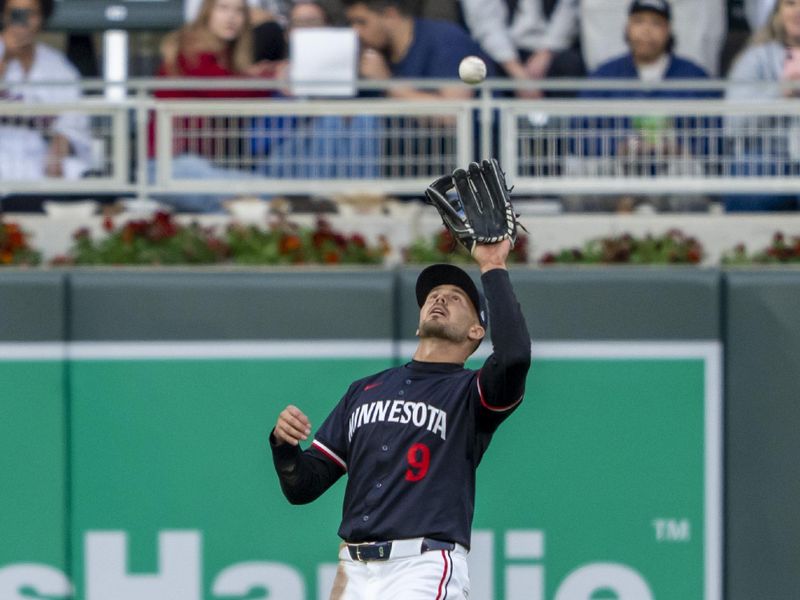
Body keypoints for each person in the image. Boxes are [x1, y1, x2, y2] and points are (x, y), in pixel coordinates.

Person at [270, 240, 531, 599]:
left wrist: (493, 265)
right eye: (433, 295)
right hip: (352, 570)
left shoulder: (471, 393)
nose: (439, 299)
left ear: (476, 331)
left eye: (456, 297)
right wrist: (284, 447)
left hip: (422, 566)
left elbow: (514, 356)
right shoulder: (363, 390)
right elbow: (303, 487)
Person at [149, 0, 274, 212]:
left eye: (238, 11)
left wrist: (257, 77)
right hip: (169, 165)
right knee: (263, 193)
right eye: (223, 8)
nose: (231, 17)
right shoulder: (189, 49)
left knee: (233, 213)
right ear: (206, 13)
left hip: (194, 164)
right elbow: (223, 92)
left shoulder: (225, 57)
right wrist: (271, 78)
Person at [0, 0, 92, 191]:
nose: (23, 21)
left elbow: (74, 120)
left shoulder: (57, 65)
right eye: (16, 13)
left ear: (41, 19)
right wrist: (5, 58)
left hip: (39, 169)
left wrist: (62, 142)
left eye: (30, 14)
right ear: (4, 15)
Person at [724, 0, 800, 211]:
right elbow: (733, 123)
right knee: (746, 178)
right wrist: (779, 93)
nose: (798, 11)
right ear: (777, 12)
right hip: (766, 159)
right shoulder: (754, 58)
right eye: (791, 3)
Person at [341, 0, 496, 101]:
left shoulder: (445, 39)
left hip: (473, 150)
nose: (356, 31)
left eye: (361, 22)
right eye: (351, 23)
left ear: (390, 15)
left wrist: (386, 83)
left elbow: (453, 113)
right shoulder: (374, 53)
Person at [459, 0, 584, 97]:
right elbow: (486, 24)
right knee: (478, 68)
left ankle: (560, 129)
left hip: (551, 49)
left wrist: (546, 53)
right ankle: (491, 129)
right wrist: (517, 72)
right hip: (501, 51)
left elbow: (569, 11)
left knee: (570, 65)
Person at [579, 0, 726, 76]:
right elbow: (583, 130)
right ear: (627, 27)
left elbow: (712, 129)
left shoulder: (693, 76)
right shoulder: (605, 76)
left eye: (656, 23)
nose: (646, 30)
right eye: (639, 21)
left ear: (669, 30)